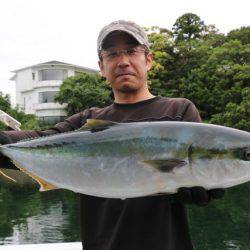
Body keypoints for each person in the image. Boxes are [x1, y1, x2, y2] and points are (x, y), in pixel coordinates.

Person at [0, 20, 225, 250]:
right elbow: (39, 139)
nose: (123, 61)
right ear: (102, 66)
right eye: (112, 54)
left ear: (148, 59)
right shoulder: (86, 121)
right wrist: (4, 142)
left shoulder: (178, 113)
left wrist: (206, 189)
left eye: (131, 51)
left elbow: (205, 175)